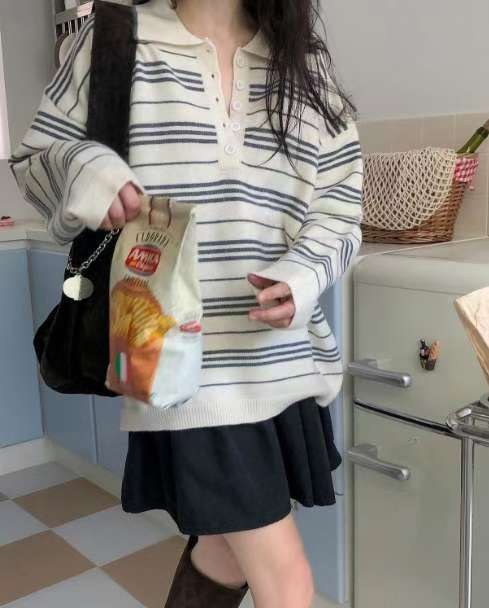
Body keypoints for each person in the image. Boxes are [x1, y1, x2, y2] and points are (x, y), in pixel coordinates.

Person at [9, 0, 363, 606]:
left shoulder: (302, 60)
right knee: (288, 581)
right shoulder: (112, 39)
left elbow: (341, 207)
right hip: (181, 370)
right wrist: (88, 167)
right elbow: (34, 166)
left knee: (223, 555)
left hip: (282, 362)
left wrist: (303, 275)